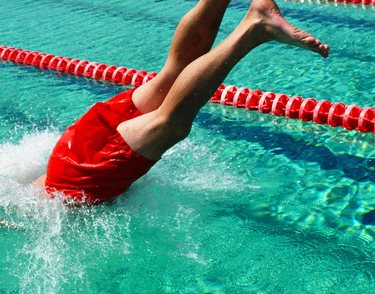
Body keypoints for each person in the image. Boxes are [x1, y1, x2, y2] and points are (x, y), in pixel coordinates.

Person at [34, 0, 330, 204]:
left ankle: (255, 27)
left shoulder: (12, 214)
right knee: (171, 75)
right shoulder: (17, 193)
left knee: (171, 121)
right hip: (69, 150)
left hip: (78, 180)